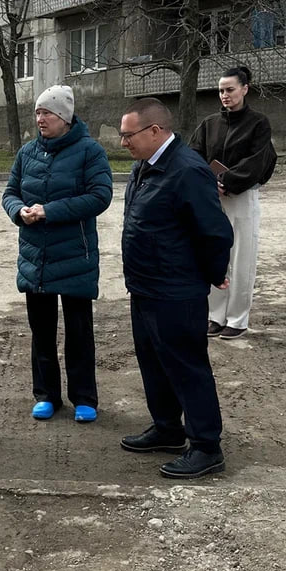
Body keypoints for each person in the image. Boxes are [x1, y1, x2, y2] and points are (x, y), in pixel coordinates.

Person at [118, 97, 233, 478]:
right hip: (146, 286)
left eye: (127, 135)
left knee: (187, 367)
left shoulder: (186, 170)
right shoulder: (144, 167)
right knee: (153, 363)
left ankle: (205, 445)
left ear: (155, 131)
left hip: (176, 289)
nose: (123, 143)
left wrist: (215, 273)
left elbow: (215, 231)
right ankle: (167, 428)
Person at [2, 84, 113, 422]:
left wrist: (50, 211)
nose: (40, 118)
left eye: (46, 113)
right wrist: (18, 210)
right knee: (42, 330)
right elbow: (9, 192)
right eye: (37, 112)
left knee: (79, 331)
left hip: (74, 256)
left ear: (64, 117)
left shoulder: (89, 151)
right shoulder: (27, 153)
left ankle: (84, 398)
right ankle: (46, 394)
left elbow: (100, 196)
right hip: (36, 256)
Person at [189, 66, 277, 340]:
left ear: (245, 89)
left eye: (230, 89)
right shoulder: (209, 124)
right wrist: (207, 182)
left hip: (242, 197)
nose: (224, 95)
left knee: (241, 258)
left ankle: (238, 318)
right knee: (215, 256)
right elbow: (193, 156)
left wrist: (227, 181)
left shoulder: (258, 123)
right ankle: (215, 315)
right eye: (221, 90)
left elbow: (258, 159)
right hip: (212, 198)